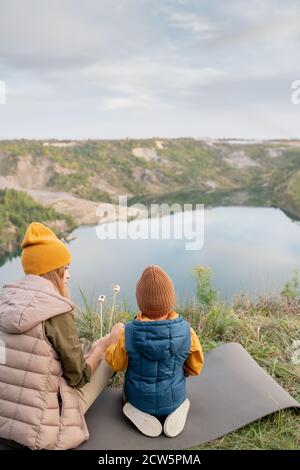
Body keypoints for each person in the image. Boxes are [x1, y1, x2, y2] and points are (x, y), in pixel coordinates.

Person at [0, 222, 114, 450]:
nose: (69, 275)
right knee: (109, 356)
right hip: (44, 434)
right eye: (66, 267)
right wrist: (101, 349)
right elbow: (78, 378)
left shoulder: (6, 302)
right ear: (54, 271)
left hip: (4, 424)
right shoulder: (56, 311)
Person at [105, 265, 204, 438]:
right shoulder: (187, 331)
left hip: (138, 399)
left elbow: (117, 364)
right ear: (170, 298)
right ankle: (177, 409)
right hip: (174, 397)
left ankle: (138, 412)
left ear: (140, 301)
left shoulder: (127, 333)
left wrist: (113, 342)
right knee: (176, 396)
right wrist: (182, 370)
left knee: (127, 398)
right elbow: (195, 368)